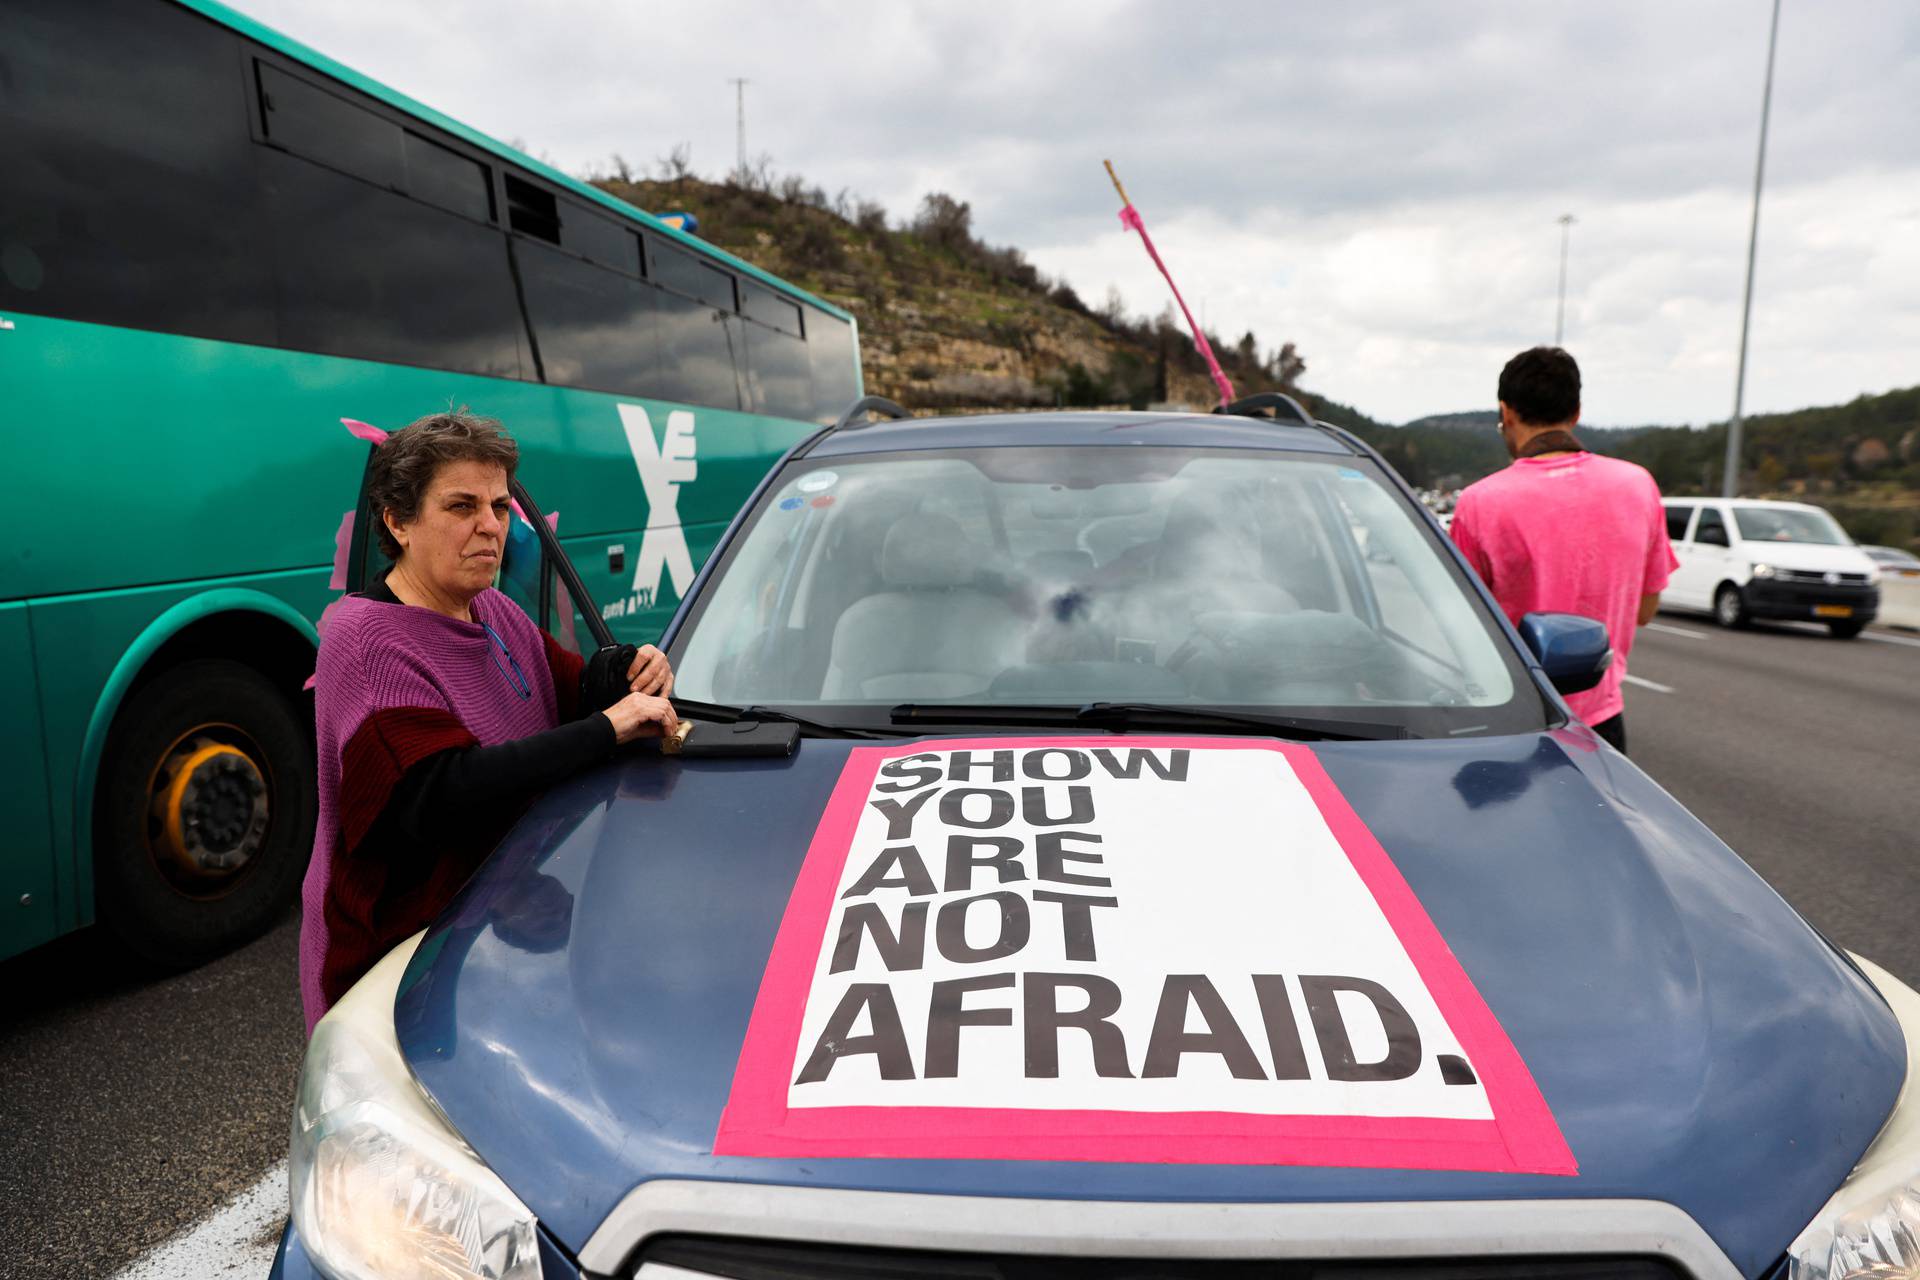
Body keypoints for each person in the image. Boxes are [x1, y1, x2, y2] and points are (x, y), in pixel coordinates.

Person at [299, 410, 678, 1031]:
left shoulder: (493, 610)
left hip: (483, 925)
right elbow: (436, 793)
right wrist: (610, 726)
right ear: (398, 522)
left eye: (500, 507)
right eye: (461, 507)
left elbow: (571, 691)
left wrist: (628, 670)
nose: (490, 528)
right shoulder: (365, 637)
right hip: (393, 956)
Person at [1449, 347, 1676, 754]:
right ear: (1576, 412)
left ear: (1507, 412)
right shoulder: (1638, 485)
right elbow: (1644, 609)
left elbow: (1460, 629)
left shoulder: (1481, 502)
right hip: (1601, 724)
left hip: (1511, 721)